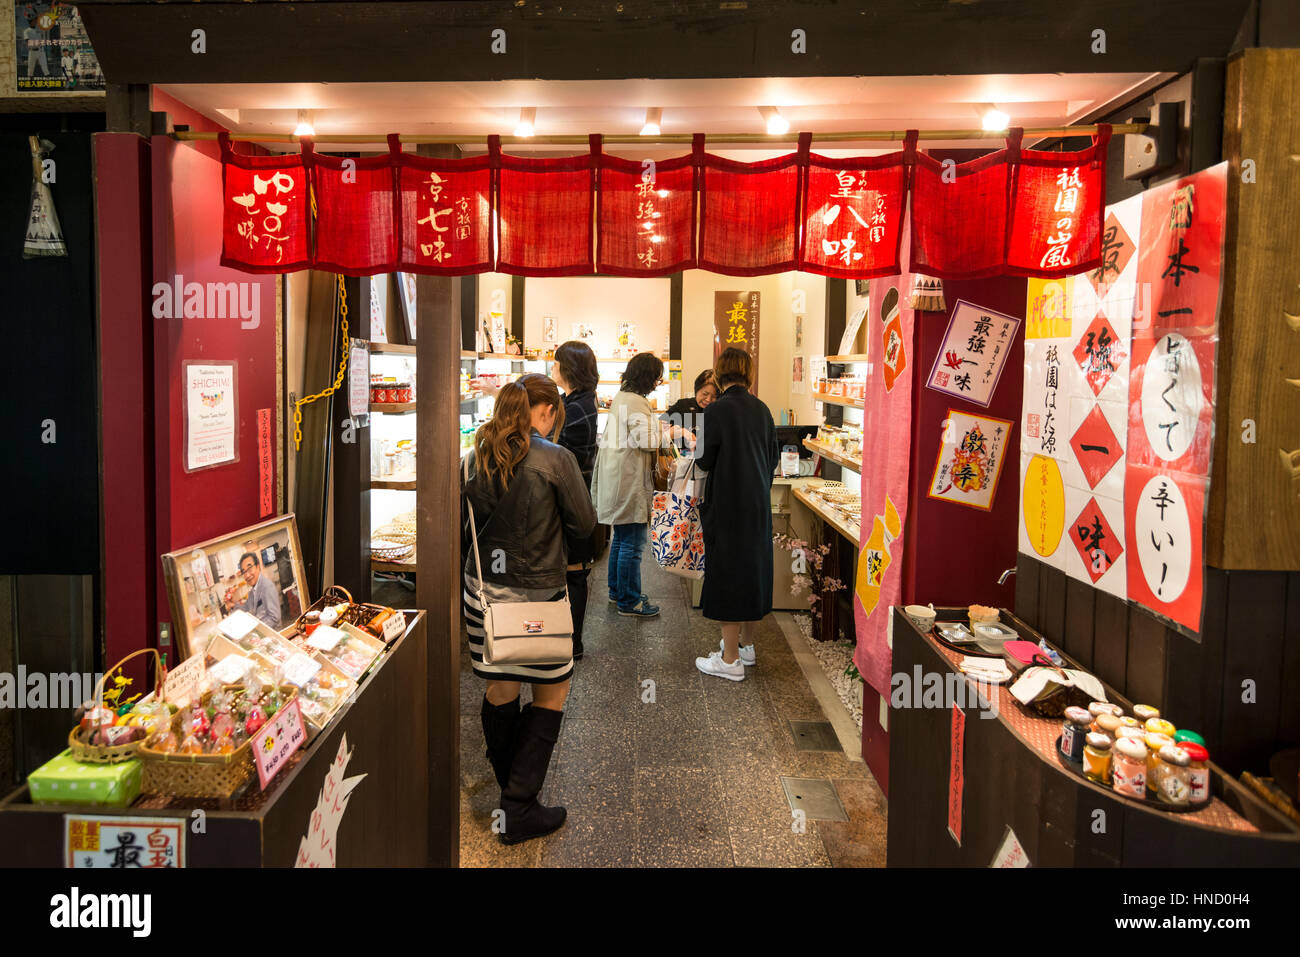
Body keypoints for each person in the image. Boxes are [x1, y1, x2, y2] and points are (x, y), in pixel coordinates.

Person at [462, 373, 596, 845]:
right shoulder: (555, 459)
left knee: (501, 688)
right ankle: (518, 806)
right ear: (547, 412)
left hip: (483, 597)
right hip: (539, 598)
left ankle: (509, 786)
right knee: (551, 692)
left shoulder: (471, 458)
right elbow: (585, 524)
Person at [694, 348, 779, 682]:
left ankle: (729, 661)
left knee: (727, 575)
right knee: (753, 571)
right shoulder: (762, 410)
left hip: (727, 506)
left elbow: (703, 460)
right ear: (749, 373)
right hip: (757, 504)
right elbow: (772, 458)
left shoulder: (716, 411)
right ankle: (746, 646)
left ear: (718, 374)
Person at [591, 352, 694, 618]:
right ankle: (629, 601)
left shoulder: (625, 398)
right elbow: (647, 441)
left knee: (622, 539)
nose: (658, 382)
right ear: (647, 377)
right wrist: (672, 431)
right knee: (633, 544)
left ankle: (618, 592)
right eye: (657, 377)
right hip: (628, 482)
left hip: (621, 479)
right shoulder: (634, 402)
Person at [550, 340, 600, 660]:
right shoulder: (578, 400)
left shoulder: (576, 407)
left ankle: (574, 642)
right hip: (577, 493)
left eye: (555, 363)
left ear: (567, 369)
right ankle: (569, 639)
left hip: (571, 496)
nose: (552, 368)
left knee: (574, 570)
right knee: (574, 570)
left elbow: (562, 455)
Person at [227, 552, 282, 629]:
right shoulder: (252, 591)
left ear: (258, 567)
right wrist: (233, 606)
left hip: (273, 635)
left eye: (249, 569)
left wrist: (254, 629)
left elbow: (274, 618)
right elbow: (246, 607)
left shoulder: (267, 586)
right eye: (244, 572)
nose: (247, 575)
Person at [660, 369, 718, 443]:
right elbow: (659, 425)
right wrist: (679, 432)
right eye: (705, 394)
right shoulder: (683, 405)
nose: (708, 400)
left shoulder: (717, 411)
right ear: (696, 390)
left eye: (714, 396)